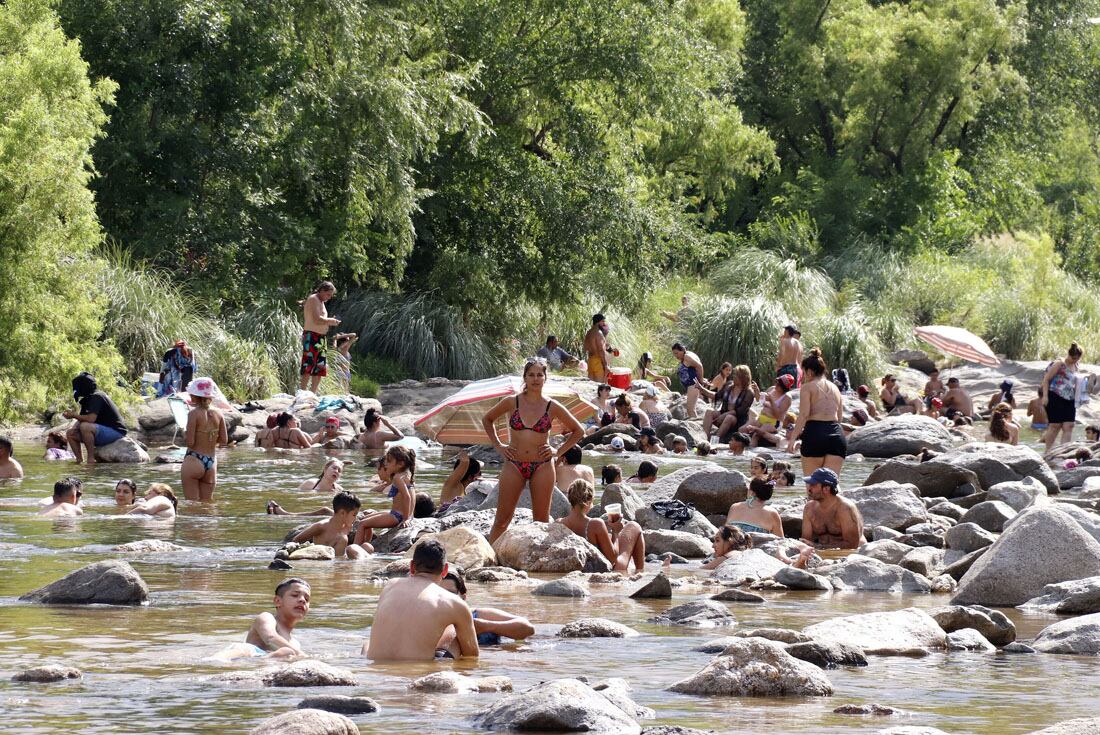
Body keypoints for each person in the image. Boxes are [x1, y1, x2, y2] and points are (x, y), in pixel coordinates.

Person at [481, 358, 585, 542]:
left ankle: (538, 561)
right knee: (502, 520)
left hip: (542, 466)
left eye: (539, 375)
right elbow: (487, 419)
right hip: (514, 463)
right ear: (525, 377)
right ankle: (490, 559)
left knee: (541, 521)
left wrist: (557, 451)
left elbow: (579, 431)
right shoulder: (511, 402)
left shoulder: (551, 406)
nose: (535, 379)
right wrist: (499, 446)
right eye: (531, 375)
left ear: (545, 378)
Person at [365, 540, 479, 661]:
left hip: (377, 672)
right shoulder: (454, 603)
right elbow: (471, 655)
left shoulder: (390, 586)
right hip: (416, 672)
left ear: (412, 567)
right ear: (445, 570)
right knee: (453, 630)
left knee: (368, 642)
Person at [558, 480, 645, 572]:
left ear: (570, 499)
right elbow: (612, 559)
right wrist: (615, 531)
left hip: (578, 569)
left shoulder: (559, 523)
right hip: (605, 571)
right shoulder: (595, 524)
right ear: (589, 500)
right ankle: (640, 572)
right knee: (634, 526)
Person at [786, 348, 846, 477]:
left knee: (812, 485)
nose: (804, 376)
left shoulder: (807, 387)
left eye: (804, 373)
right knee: (831, 485)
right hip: (836, 435)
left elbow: (804, 415)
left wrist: (792, 439)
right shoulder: (835, 388)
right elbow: (839, 417)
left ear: (810, 371)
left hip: (815, 434)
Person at [439, 568, 535, 644]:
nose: (444, 598)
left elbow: (528, 628)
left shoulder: (477, 615)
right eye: (438, 593)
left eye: (450, 593)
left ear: (463, 598)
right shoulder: (427, 619)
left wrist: (486, 626)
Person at [353, 446, 417, 548]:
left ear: (401, 464)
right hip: (399, 514)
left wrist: (406, 519)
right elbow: (412, 497)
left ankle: (355, 548)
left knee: (362, 524)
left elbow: (407, 497)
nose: (386, 463)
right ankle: (367, 545)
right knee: (365, 519)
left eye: (389, 461)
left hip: (397, 516)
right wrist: (410, 516)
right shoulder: (407, 475)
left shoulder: (397, 478)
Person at [231, 579, 311, 659]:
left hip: (272, 666)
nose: (302, 600)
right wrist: (301, 654)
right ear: (278, 601)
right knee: (287, 652)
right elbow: (270, 638)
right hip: (249, 659)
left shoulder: (295, 643)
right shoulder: (267, 617)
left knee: (288, 653)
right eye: (295, 595)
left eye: (306, 599)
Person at [64, 372, 128, 466]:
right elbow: (81, 419)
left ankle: (90, 459)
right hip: (100, 432)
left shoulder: (97, 396)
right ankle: (79, 460)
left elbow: (90, 419)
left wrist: (73, 415)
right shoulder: (87, 399)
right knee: (70, 433)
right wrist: (74, 429)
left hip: (116, 431)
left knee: (85, 426)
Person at [181, 377, 228, 502]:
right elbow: (224, 440)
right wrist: (210, 438)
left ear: (196, 396)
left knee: (192, 504)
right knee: (207, 505)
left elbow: (190, 442)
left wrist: (184, 433)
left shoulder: (193, 414)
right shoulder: (219, 413)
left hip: (194, 459)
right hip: (211, 462)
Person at [293, 491, 369, 559]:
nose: (355, 518)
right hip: (327, 564)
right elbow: (296, 539)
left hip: (340, 561)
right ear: (342, 513)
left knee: (367, 546)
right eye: (354, 515)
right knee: (352, 548)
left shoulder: (345, 528)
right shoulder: (321, 526)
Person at [800, 468, 863, 549]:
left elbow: (852, 544)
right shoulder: (809, 508)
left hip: (850, 553)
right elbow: (805, 540)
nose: (809, 489)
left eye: (813, 485)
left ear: (826, 489)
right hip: (824, 551)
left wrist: (819, 547)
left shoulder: (844, 508)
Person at [299, 281, 341, 393]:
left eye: (331, 295)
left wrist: (329, 321)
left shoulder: (321, 302)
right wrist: (331, 321)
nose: (329, 297)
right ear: (322, 290)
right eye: (328, 294)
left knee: (319, 367)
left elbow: (321, 320)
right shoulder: (313, 299)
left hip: (321, 338)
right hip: (311, 336)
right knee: (308, 365)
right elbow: (317, 319)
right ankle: (302, 393)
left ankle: (313, 394)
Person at [1042, 343, 1085, 453]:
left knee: (1069, 425)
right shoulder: (1059, 364)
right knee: (1055, 425)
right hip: (1055, 396)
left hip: (1070, 399)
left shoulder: (1076, 365)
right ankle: (1048, 452)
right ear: (1069, 354)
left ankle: (1063, 453)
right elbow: (1046, 379)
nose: (1074, 360)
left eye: (1077, 358)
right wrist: (1045, 396)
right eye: (1073, 358)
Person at [704, 365, 760, 441]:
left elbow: (740, 411)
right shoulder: (729, 385)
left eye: (736, 375)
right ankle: (706, 438)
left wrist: (725, 414)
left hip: (737, 420)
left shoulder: (749, 392)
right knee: (709, 412)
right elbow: (717, 396)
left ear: (742, 377)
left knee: (729, 417)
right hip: (723, 414)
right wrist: (701, 389)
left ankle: (715, 440)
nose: (734, 376)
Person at [744, 374, 794, 447]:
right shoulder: (771, 389)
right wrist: (757, 391)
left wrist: (771, 401)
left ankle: (750, 454)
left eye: (779, 385)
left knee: (756, 435)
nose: (776, 385)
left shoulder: (787, 398)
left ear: (784, 388)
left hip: (773, 422)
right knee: (743, 430)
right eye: (777, 382)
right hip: (761, 417)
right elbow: (759, 399)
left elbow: (778, 416)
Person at [671, 343, 712, 419]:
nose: (676, 356)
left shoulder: (687, 357)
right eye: (674, 354)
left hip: (693, 385)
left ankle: (696, 428)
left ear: (683, 350)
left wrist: (701, 379)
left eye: (677, 353)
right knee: (692, 409)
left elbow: (699, 366)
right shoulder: (688, 355)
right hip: (692, 385)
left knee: (690, 410)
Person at [584, 313, 615, 383]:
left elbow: (585, 347)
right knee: (600, 386)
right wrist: (606, 365)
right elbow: (601, 350)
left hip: (590, 361)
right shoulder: (598, 333)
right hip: (598, 362)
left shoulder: (589, 333)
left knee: (591, 385)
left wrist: (608, 348)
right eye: (603, 321)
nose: (604, 324)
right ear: (598, 322)